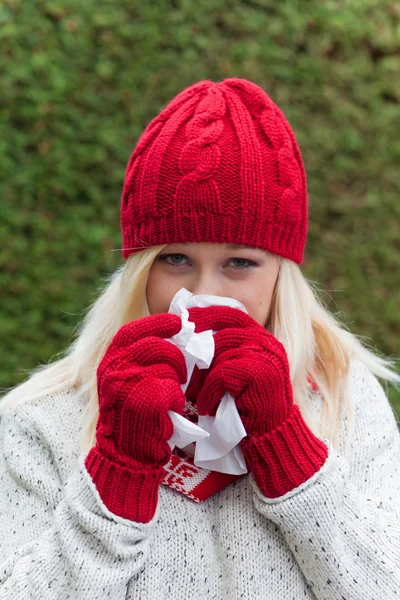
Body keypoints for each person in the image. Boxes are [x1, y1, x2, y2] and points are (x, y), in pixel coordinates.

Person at [0, 77, 399, 600]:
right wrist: (114, 475)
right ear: (140, 267)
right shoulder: (44, 420)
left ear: (281, 273)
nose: (204, 293)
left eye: (240, 263)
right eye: (175, 259)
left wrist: (290, 449)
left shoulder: (342, 396)